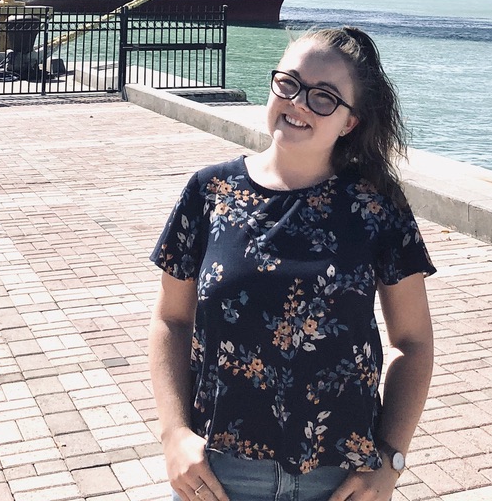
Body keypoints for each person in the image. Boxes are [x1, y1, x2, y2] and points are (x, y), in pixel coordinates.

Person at [149, 27, 435, 501]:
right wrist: (173, 433)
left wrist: (391, 458)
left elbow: (414, 342)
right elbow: (170, 319)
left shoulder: (376, 205)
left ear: (350, 122)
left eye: (324, 97)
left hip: (340, 480)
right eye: (289, 83)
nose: (299, 102)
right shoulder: (209, 192)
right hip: (219, 474)